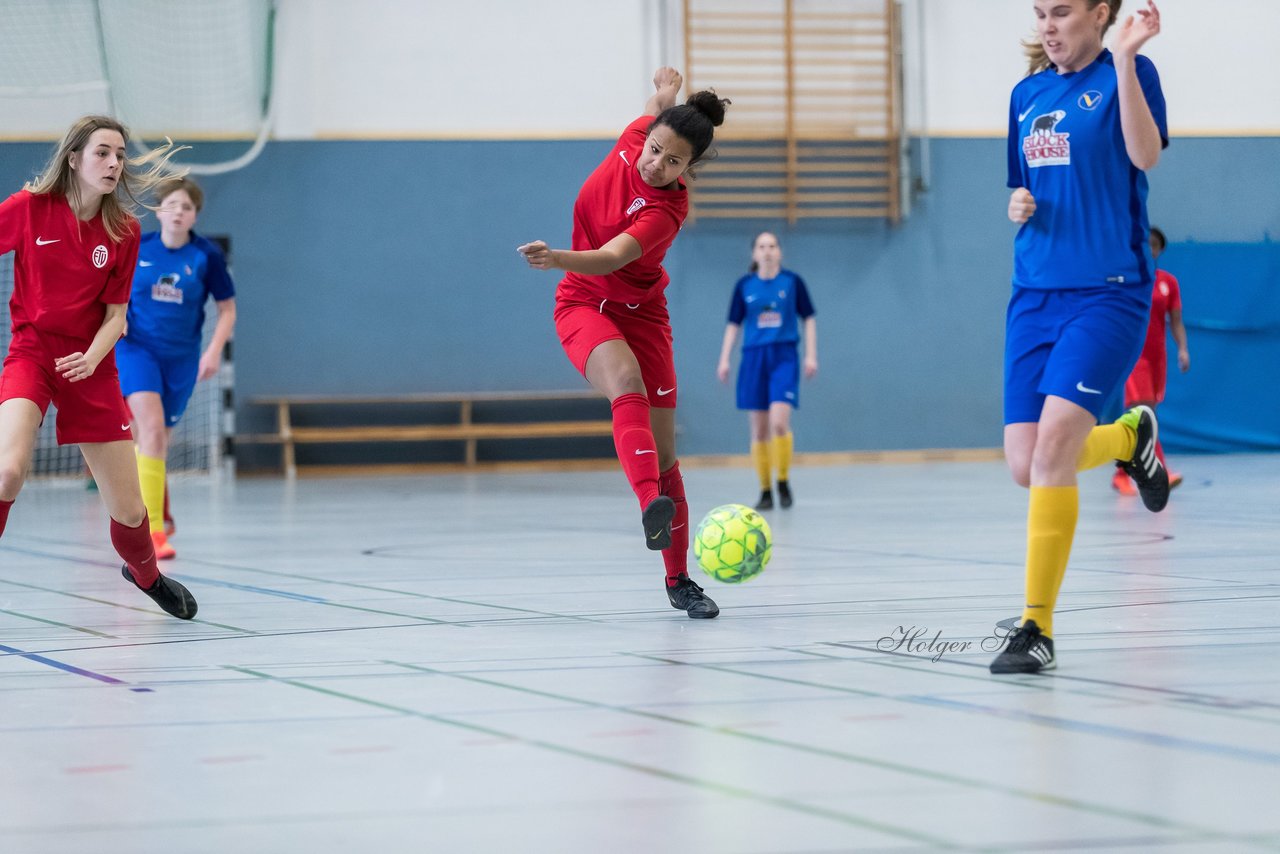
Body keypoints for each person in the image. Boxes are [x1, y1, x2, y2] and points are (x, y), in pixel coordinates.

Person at [990, 0, 1168, 674]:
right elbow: (1026, 186)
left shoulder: (1132, 73)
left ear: (1101, 12)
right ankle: (1130, 437)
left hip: (1108, 291)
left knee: (1053, 455)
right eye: (1040, 13)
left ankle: (1037, 627)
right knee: (1023, 462)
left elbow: (1144, 154)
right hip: (1033, 294)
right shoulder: (1027, 93)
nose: (1048, 25)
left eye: (1061, 11)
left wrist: (1124, 58)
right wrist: (1018, 204)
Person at [518, 68, 729, 619]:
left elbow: (612, 256)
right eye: (656, 149)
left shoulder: (667, 210)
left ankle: (680, 580)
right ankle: (647, 506)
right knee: (625, 384)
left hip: (643, 315)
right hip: (583, 304)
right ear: (647, 135)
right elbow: (659, 103)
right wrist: (668, 90)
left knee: (666, 458)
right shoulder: (638, 134)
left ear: (690, 169)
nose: (656, 165)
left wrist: (554, 255)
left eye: (674, 162)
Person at [0, 115, 197, 620]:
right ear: (73, 159)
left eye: (120, 155)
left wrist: (91, 357)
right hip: (33, 353)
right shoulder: (28, 209)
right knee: (6, 472)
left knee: (130, 511)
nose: (114, 163)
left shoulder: (125, 230)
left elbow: (117, 316)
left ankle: (146, 575)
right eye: (102, 153)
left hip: (93, 363)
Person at [117, 176, 237, 559]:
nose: (179, 212)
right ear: (158, 209)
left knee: (154, 442)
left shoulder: (205, 256)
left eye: (187, 207)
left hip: (182, 359)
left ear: (195, 214)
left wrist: (214, 351)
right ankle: (150, 534)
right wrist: (112, 321)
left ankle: (150, 513)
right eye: (172, 204)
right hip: (136, 351)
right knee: (150, 430)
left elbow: (227, 309)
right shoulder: (137, 247)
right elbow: (110, 291)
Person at [716, 231, 817, 510]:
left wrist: (811, 354)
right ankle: (764, 490)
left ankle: (783, 480)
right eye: (761, 246)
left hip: (783, 356)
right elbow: (733, 324)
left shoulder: (792, 283)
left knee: (779, 423)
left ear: (780, 252)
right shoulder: (744, 286)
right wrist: (724, 359)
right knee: (759, 430)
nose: (767, 251)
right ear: (754, 254)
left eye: (772, 246)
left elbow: (808, 318)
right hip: (753, 358)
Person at [1112, 225, 1188, 494]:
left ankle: (1121, 474)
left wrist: (1183, 349)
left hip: (1158, 359)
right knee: (1146, 415)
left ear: (1160, 249)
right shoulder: (1128, 279)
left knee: (1138, 418)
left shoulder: (1168, 282)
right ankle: (1160, 473)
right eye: (1146, 243)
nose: (1150, 248)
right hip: (1135, 358)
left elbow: (1176, 321)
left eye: (1155, 244)